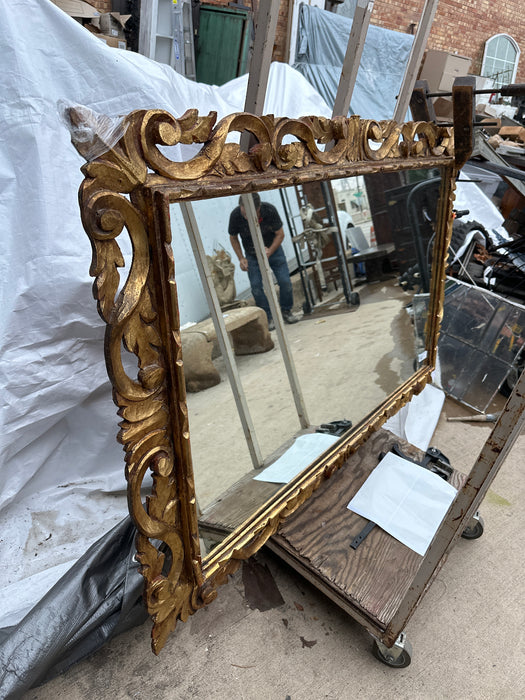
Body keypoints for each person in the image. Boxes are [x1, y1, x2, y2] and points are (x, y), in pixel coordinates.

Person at [228, 193, 298, 330]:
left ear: (259, 208)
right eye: (244, 212)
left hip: (273, 249)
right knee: (255, 287)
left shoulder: (269, 210)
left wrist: (270, 251)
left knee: (285, 281)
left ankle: (286, 310)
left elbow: (280, 234)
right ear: (240, 207)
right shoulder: (235, 215)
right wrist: (241, 258)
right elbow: (233, 237)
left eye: (251, 214)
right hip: (251, 253)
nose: (247, 216)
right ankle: (268, 316)